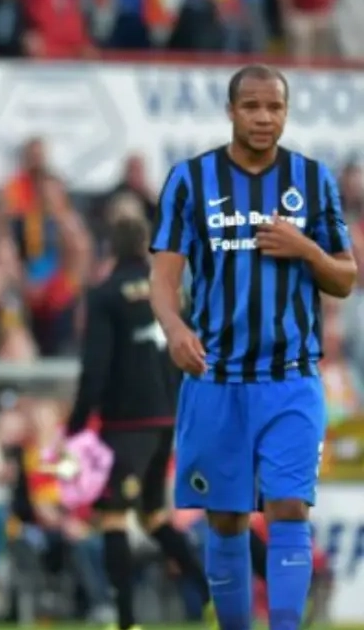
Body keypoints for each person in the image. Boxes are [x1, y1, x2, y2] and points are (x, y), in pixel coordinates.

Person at [150, 64, 355, 630]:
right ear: (231, 111)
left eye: (275, 107)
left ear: (286, 112)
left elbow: (345, 278)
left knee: (289, 506)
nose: (264, 118)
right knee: (226, 518)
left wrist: (306, 249)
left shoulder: (313, 180)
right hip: (216, 379)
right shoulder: (190, 180)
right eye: (252, 107)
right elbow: (163, 277)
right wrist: (174, 329)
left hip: (291, 377)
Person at [66, 213, 211, 630]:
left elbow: (95, 367)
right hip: (167, 418)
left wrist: (77, 422)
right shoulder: (169, 293)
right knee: (153, 515)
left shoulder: (105, 296)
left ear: (111, 248)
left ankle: (127, 620)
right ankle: (209, 594)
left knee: (113, 516)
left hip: (127, 424)